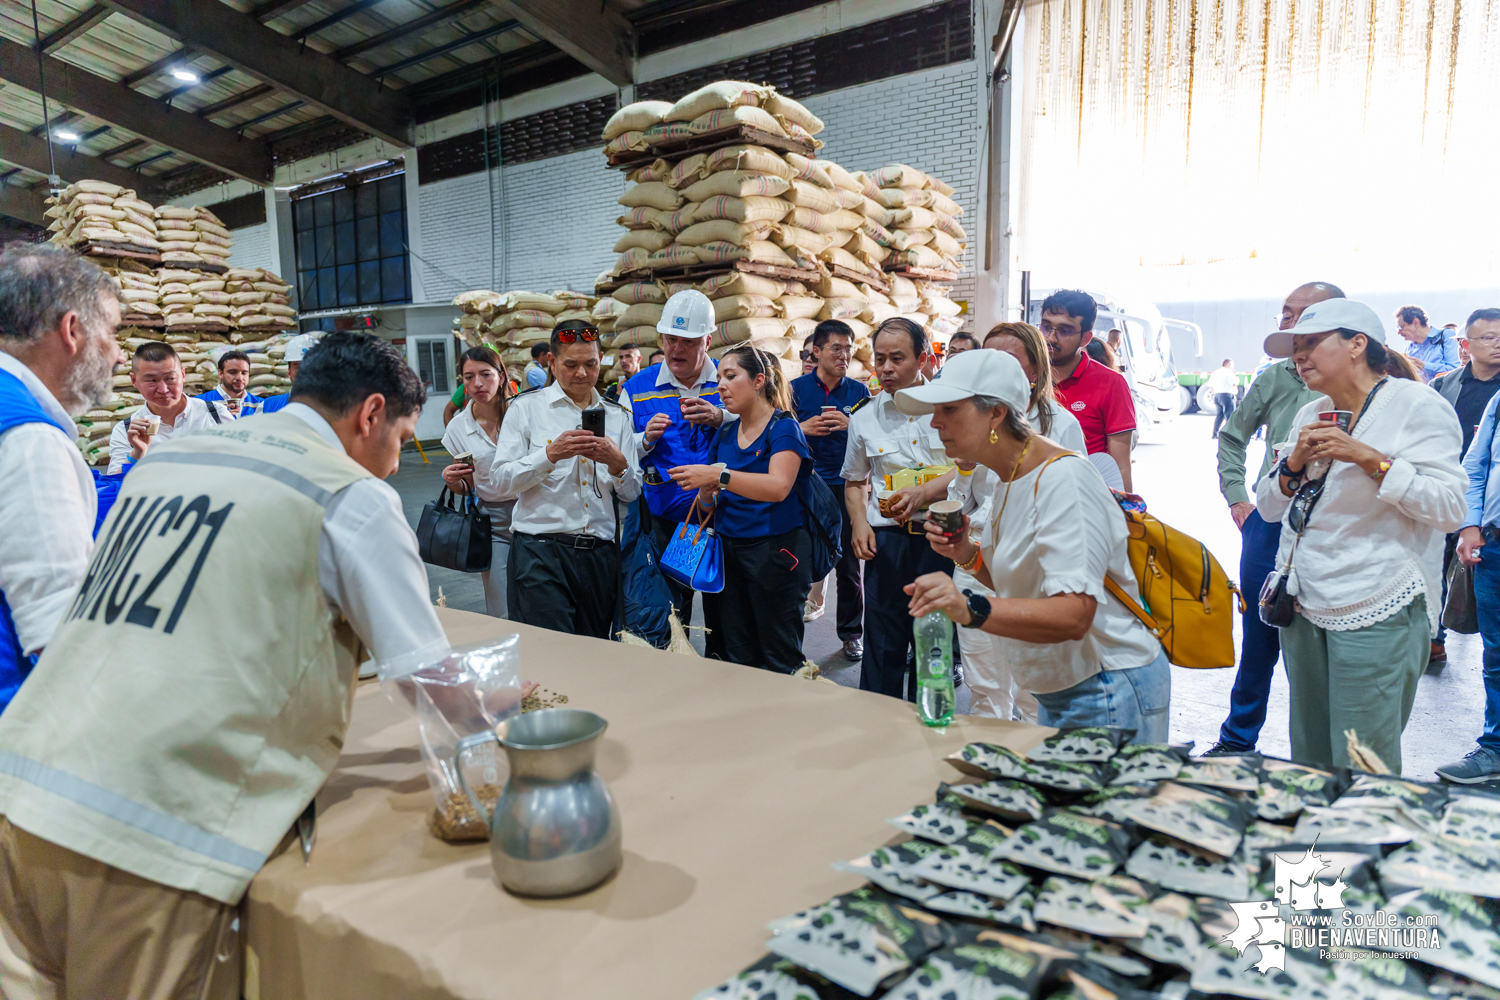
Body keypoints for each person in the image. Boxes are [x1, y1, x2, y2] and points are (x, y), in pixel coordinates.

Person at [0, 332, 458, 997]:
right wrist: (498, 717)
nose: (393, 465)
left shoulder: (170, 457)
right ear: (370, 415)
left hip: (22, 788)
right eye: (399, 439)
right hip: (140, 835)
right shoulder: (349, 494)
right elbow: (427, 678)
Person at [901, 349, 1171, 741]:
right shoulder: (1009, 477)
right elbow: (1021, 582)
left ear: (995, 414)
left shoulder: (1064, 481)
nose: (935, 422)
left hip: (1106, 686)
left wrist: (968, 608)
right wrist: (966, 554)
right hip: (1063, 683)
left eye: (949, 409)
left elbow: (1074, 614)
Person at [1256, 298, 1464, 772]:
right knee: (1309, 754)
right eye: (1295, 347)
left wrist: (1371, 460)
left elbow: (1450, 509)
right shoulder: (1313, 410)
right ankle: (1318, 844)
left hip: (1378, 601)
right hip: (1304, 597)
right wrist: (1292, 464)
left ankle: (1364, 844)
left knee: (1362, 758)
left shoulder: (1416, 405)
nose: (1299, 356)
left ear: (1357, 344)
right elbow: (1269, 507)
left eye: (1311, 343)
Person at [1208, 280, 1341, 755]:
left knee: (1325, 642)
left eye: (1301, 317)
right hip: (1269, 519)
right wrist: (1237, 496)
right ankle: (1238, 739)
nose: (1289, 326)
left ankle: (1324, 756)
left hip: (1332, 528)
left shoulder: (1370, 390)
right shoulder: (1276, 376)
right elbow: (1233, 435)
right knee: (1260, 635)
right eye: (1285, 315)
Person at [0, 246, 123, 715]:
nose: (116, 353)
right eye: (111, 332)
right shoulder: (28, 440)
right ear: (73, 330)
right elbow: (59, 635)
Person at [951, 322, 1087, 722]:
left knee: (1035, 694)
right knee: (986, 690)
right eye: (987, 359)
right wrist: (962, 471)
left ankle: (1031, 775)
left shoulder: (1060, 426)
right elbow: (965, 501)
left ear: (1034, 372)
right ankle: (989, 776)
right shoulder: (970, 422)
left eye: (1008, 361)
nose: (995, 370)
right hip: (979, 567)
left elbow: (1071, 506)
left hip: (1035, 573)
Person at [669, 344, 814, 674]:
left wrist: (718, 476)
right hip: (730, 554)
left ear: (759, 380)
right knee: (736, 653)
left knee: (779, 654)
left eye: (731, 376)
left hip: (775, 553)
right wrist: (706, 491)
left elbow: (778, 487)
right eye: (719, 377)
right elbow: (710, 503)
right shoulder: (726, 433)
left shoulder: (783, 428)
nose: (720, 385)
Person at [493, 320, 639, 638]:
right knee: (551, 653)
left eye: (591, 364)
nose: (582, 373)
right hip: (540, 554)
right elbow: (501, 481)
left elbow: (631, 492)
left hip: (599, 557)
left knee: (593, 652)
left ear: (602, 361)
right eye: (571, 364)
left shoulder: (618, 417)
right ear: (552, 362)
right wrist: (550, 455)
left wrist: (618, 464)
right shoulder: (525, 410)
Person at [842, 318, 954, 700]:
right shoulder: (864, 418)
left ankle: (930, 733)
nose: (886, 368)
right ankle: (879, 732)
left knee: (932, 644)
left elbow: (971, 467)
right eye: (880, 359)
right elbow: (856, 481)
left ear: (922, 359)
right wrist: (859, 522)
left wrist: (924, 494)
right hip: (887, 544)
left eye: (897, 358)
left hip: (942, 540)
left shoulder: (951, 408)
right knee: (883, 646)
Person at [621, 290, 730, 658]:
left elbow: (764, 425)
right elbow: (619, 454)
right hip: (666, 525)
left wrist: (720, 417)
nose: (677, 349)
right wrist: (644, 439)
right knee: (668, 618)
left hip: (727, 523)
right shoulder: (636, 389)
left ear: (707, 341)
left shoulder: (731, 381)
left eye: (688, 341)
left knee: (727, 621)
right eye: (670, 339)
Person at [1424, 309, 1500, 668]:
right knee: (1433, 565)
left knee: (1479, 573)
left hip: (1490, 501)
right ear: (1466, 345)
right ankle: (1433, 639)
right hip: (1446, 491)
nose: (1497, 344)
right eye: (1488, 337)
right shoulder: (1444, 386)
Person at [791, 320, 870, 660]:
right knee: (796, 563)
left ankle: (851, 634)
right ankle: (789, 635)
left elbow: (873, 438)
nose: (844, 355)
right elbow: (773, 431)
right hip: (805, 487)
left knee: (850, 568)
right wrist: (801, 427)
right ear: (817, 352)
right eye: (836, 348)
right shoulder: (794, 390)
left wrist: (852, 425)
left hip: (846, 486)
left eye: (849, 349)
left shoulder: (858, 393)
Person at [441, 346, 515, 619]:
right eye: (468, 377)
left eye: (485, 374)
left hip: (536, 514)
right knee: (501, 608)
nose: (477, 384)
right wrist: (452, 482)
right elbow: (468, 485)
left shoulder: (522, 414)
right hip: (492, 524)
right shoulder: (459, 428)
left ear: (502, 376)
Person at [1040, 289, 1136, 491]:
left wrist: (1126, 517)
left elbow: (1121, 467)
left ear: (1085, 338)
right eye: (1046, 327)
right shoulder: (1028, 376)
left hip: (1085, 499)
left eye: (1064, 331)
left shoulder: (1111, 383)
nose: (1051, 338)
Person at [106, 342, 223, 474]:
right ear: (134, 380)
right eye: (152, 380)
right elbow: (113, 483)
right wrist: (136, 453)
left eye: (170, 378)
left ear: (183, 375)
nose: (163, 389)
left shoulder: (215, 415)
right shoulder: (126, 431)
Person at [1396, 305, 1460, 382]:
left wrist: (1423, 365)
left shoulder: (1446, 336)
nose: (1398, 332)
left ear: (1416, 323)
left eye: (1401, 327)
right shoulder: (1410, 348)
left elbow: (1455, 369)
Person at [258, 332, 316, 414]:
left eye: (309, 365)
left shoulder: (333, 409)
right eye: (297, 367)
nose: (304, 371)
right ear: (289, 372)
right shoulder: (267, 407)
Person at [197, 350, 261, 418]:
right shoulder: (200, 402)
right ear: (220, 373)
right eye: (233, 372)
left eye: (244, 373)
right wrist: (216, 420)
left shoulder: (261, 404)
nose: (240, 378)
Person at [1207, 358, 1238, 438]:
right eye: (1232, 365)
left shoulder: (1215, 372)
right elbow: (1234, 383)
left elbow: (1210, 385)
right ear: (1228, 364)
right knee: (1229, 415)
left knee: (1219, 415)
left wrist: (1215, 392)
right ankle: (1229, 435)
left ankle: (1215, 433)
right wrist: (1237, 379)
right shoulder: (1228, 372)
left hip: (1216, 395)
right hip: (1226, 395)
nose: (1233, 367)